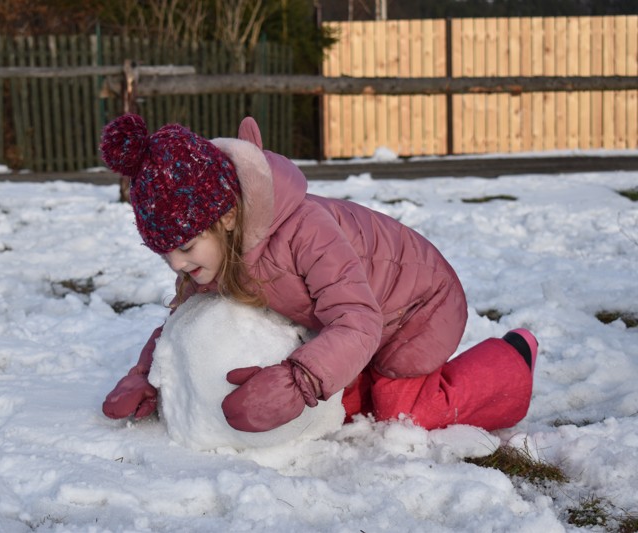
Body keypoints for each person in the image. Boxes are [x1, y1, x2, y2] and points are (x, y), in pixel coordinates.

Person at [99, 113, 539, 433]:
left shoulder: (306, 233)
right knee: (342, 407)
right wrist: (150, 376)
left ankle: (512, 361)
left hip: (418, 305)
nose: (176, 263)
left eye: (185, 246)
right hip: (354, 314)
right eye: (164, 254)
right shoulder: (214, 256)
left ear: (227, 218)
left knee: (400, 411)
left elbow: (359, 320)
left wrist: (300, 379)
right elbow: (184, 319)